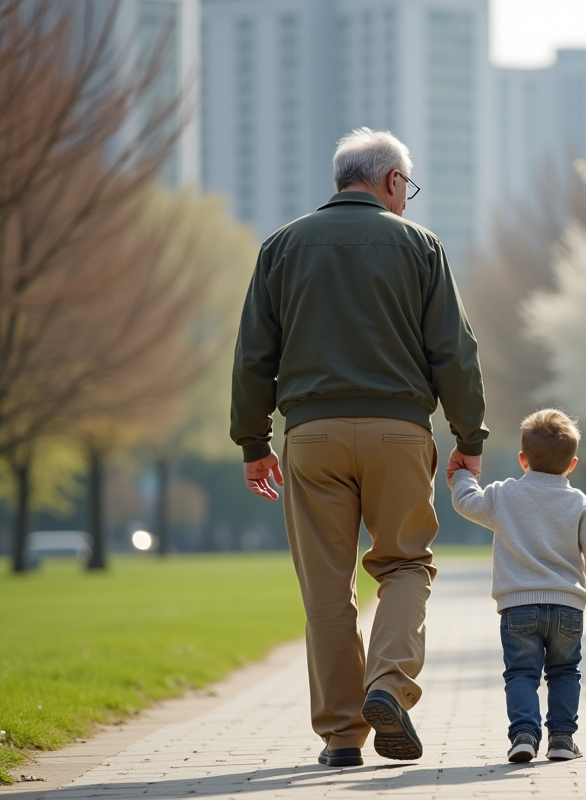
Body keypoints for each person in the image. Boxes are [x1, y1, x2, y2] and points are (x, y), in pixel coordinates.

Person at [230, 127, 487, 767]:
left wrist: (253, 442)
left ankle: (342, 737)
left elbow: (253, 357)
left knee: (325, 588)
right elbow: (454, 352)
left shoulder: (280, 247)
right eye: (408, 187)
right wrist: (470, 437)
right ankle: (389, 685)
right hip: (397, 432)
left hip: (311, 437)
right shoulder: (421, 245)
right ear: (392, 182)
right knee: (404, 564)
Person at [449, 409, 586, 763]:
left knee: (520, 673)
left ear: (522, 459)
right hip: (567, 607)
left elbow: (467, 502)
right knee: (565, 671)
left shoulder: (504, 495)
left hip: (518, 607)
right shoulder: (579, 503)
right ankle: (562, 739)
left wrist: (463, 476)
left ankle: (524, 735)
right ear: (572, 464)